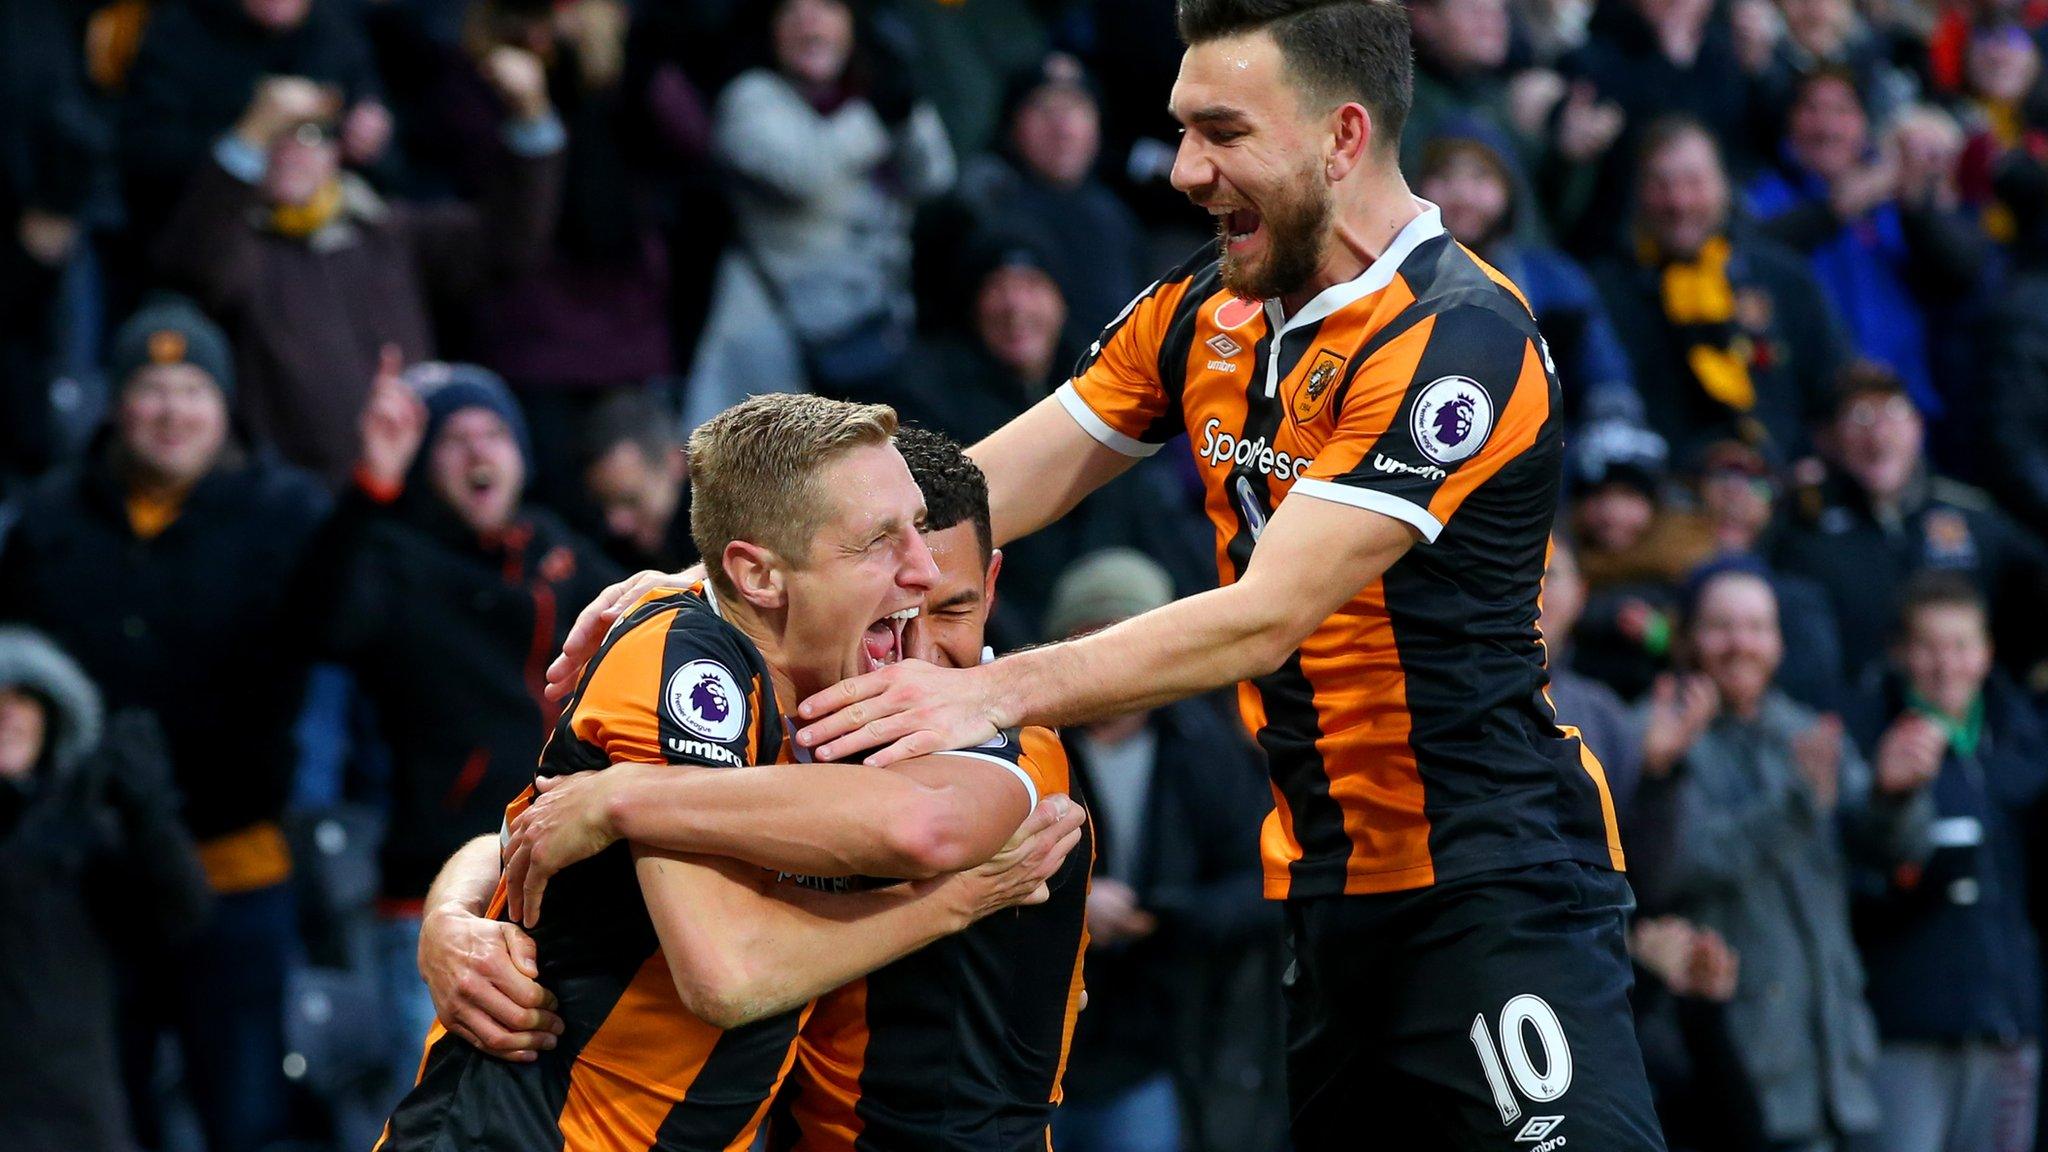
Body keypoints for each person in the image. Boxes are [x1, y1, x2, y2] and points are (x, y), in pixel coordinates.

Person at [562, 3, 1667, 1146]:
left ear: (1342, 137)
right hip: (1326, 895)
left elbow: (1263, 618)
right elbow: (963, 502)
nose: (1186, 169)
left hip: (1492, 880)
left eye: (1223, 133)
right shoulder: (1209, 303)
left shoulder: (1458, 337)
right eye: (1183, 130)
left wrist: (986, 689)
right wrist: (707, 584)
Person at [378, 395, 1081, 1151]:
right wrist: (450, 920)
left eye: (954, 605)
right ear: (763, 576)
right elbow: (726, 973)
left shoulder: (974, 724)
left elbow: (923, 826)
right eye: (882, 543)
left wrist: (624, 801)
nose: (917, 582)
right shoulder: (689, 665)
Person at [0, 297, 329, 1152]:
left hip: (238, 870)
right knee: (105, 1111)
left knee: (247, 1114)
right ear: (114, 401)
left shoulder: (290, 514)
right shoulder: (47, 519)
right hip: (92, 879)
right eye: (150, 387)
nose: (171, 410)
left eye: (192, 388)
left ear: (224, 406)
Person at [293, 352, 620, 1099]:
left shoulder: (559, 553)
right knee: (441, 1110)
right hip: (437, 895)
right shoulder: (393, 553)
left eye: (493, 434)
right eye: (454, 439)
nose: (479, 453)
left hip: (574, 889)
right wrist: (373, 480)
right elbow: (319, 623)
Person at [1628, 563, 1935, 1151]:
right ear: (1688, 636)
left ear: (1778, 641)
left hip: (1839, 1071)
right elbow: (1673, 865)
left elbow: (1893, 852)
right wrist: (1794, 809)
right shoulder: (1657, 731)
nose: (1741, 643)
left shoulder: (1807, 732)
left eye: (1756, 627)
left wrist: (1893, 797)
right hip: (1728, 1079)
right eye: (1721, 627)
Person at [152, 48, 565, 485]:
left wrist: (530, 117)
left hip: (411, 487)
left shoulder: (386, 232)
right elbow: (192, 272)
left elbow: (509, 245)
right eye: (276, 136)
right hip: (299, 501)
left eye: (311, 135)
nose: (293, 151)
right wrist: (248, 136)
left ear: (337, 152)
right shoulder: (238, 245)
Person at [1041, 550, 1282, 1152]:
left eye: (1129, 640)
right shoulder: (1025, 749)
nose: (1110, 664)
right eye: (1089, 642)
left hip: (1154, 1046)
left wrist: (1160, 912)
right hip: (1032, 1053)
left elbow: (1264, 884)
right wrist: (1073, 902)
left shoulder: (1207, 752)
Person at [683, 0, 955, 431]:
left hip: (872, 337)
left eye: (827, 7)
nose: (809, 20)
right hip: (778, 349)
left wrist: (910, 105)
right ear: (771, 31)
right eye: (791, 10)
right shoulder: (750, 97)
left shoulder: (874, 91)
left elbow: (936, 176)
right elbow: (803, 171)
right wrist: (877, 117)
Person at [1848, 573, 2048, 1152]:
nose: (1946, 665)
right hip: (1902, 1030)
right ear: (1900, 653)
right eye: (1930, 647)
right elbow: (1853, 877)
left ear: (1986, 653)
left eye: (1961, 646)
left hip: (2008, 1028)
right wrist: (1889, 799)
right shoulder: (1861, 739)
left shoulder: (2022, 746)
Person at [0, 628, 211, 1152]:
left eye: (23, 697)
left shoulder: (88, 830)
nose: (7, 714)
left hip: (73, 1107)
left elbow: (180, 914)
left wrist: (151, 817)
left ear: (53, 715)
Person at [1592, 116, 1852, 463]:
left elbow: (1833, 388)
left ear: (1724, 186)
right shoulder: (1605, 291)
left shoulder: (1784, 278)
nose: (1679, 203)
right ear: (1637, 192)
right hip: (1663, 499)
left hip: (1783, 495)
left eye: (1694, 182)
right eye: (1661, 184)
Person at [1775, 362, 2048, 684]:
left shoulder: (1972, 518)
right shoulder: (1804, 531)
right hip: (1852, 722)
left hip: (1978, 720)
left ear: (1919, 427)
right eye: (1859, 417)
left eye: (1893, 412)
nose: (1878, 432)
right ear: (1826, 439)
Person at [1744, 70, 1986, 417]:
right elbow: (1754, 253)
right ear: (1790, 122)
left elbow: (1964, 270)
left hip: (1905, 400)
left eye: (1842, 111)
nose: (1827, 127)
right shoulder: (1765, 196)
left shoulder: (1899, 198)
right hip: (1812, 406)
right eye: (1811, 109)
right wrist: (1838, 207)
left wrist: (1916, 208)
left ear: (1864, 125)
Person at [1416, 131, 1644, 430]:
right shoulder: (1392, 274)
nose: (1463, 194)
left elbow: (1605, 380)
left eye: (1481, 177)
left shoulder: (1554, 278)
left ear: (1510, 190)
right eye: (1444, 177)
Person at [953, 52, 1151, 354]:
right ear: (1011, 125)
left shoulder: (1116, 214)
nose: (1063, 129)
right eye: (1043, 110)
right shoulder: (981, 209)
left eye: (1076, 109)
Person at [578, 389, 697, 573]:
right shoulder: (611, 553)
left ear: (675, 461)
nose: (616, 524)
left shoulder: (735, 540)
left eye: (630, 500)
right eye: (604, 504)